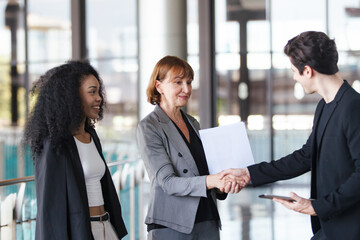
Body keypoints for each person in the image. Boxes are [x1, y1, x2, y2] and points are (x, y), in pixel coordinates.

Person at [221, 31, 360, 240]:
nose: (294, 77)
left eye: (294, 71)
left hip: (351, 228)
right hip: (330, 227)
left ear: (307, 71)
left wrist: (318, 206)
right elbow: (305, 156)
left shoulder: (353, 107)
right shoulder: (324, 106)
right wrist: (249, 174)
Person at [136, 55, 239, 240]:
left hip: (207, 218)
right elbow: (167, 182)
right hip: (171, 224)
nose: (187, 89)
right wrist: (212, 181)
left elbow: (202, 171)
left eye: (189, 82)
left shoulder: (192, 123)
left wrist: (222, 185)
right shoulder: (149, 127)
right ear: (159, 86)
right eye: (178, 82)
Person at [24, 61, 127, 239]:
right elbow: (50, 206)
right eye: (92, 92)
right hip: (81, 232)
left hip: (106, 227)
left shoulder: (91, 135)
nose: (99, 98)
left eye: (98, 91)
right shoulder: (55, 143)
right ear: (72, 96)